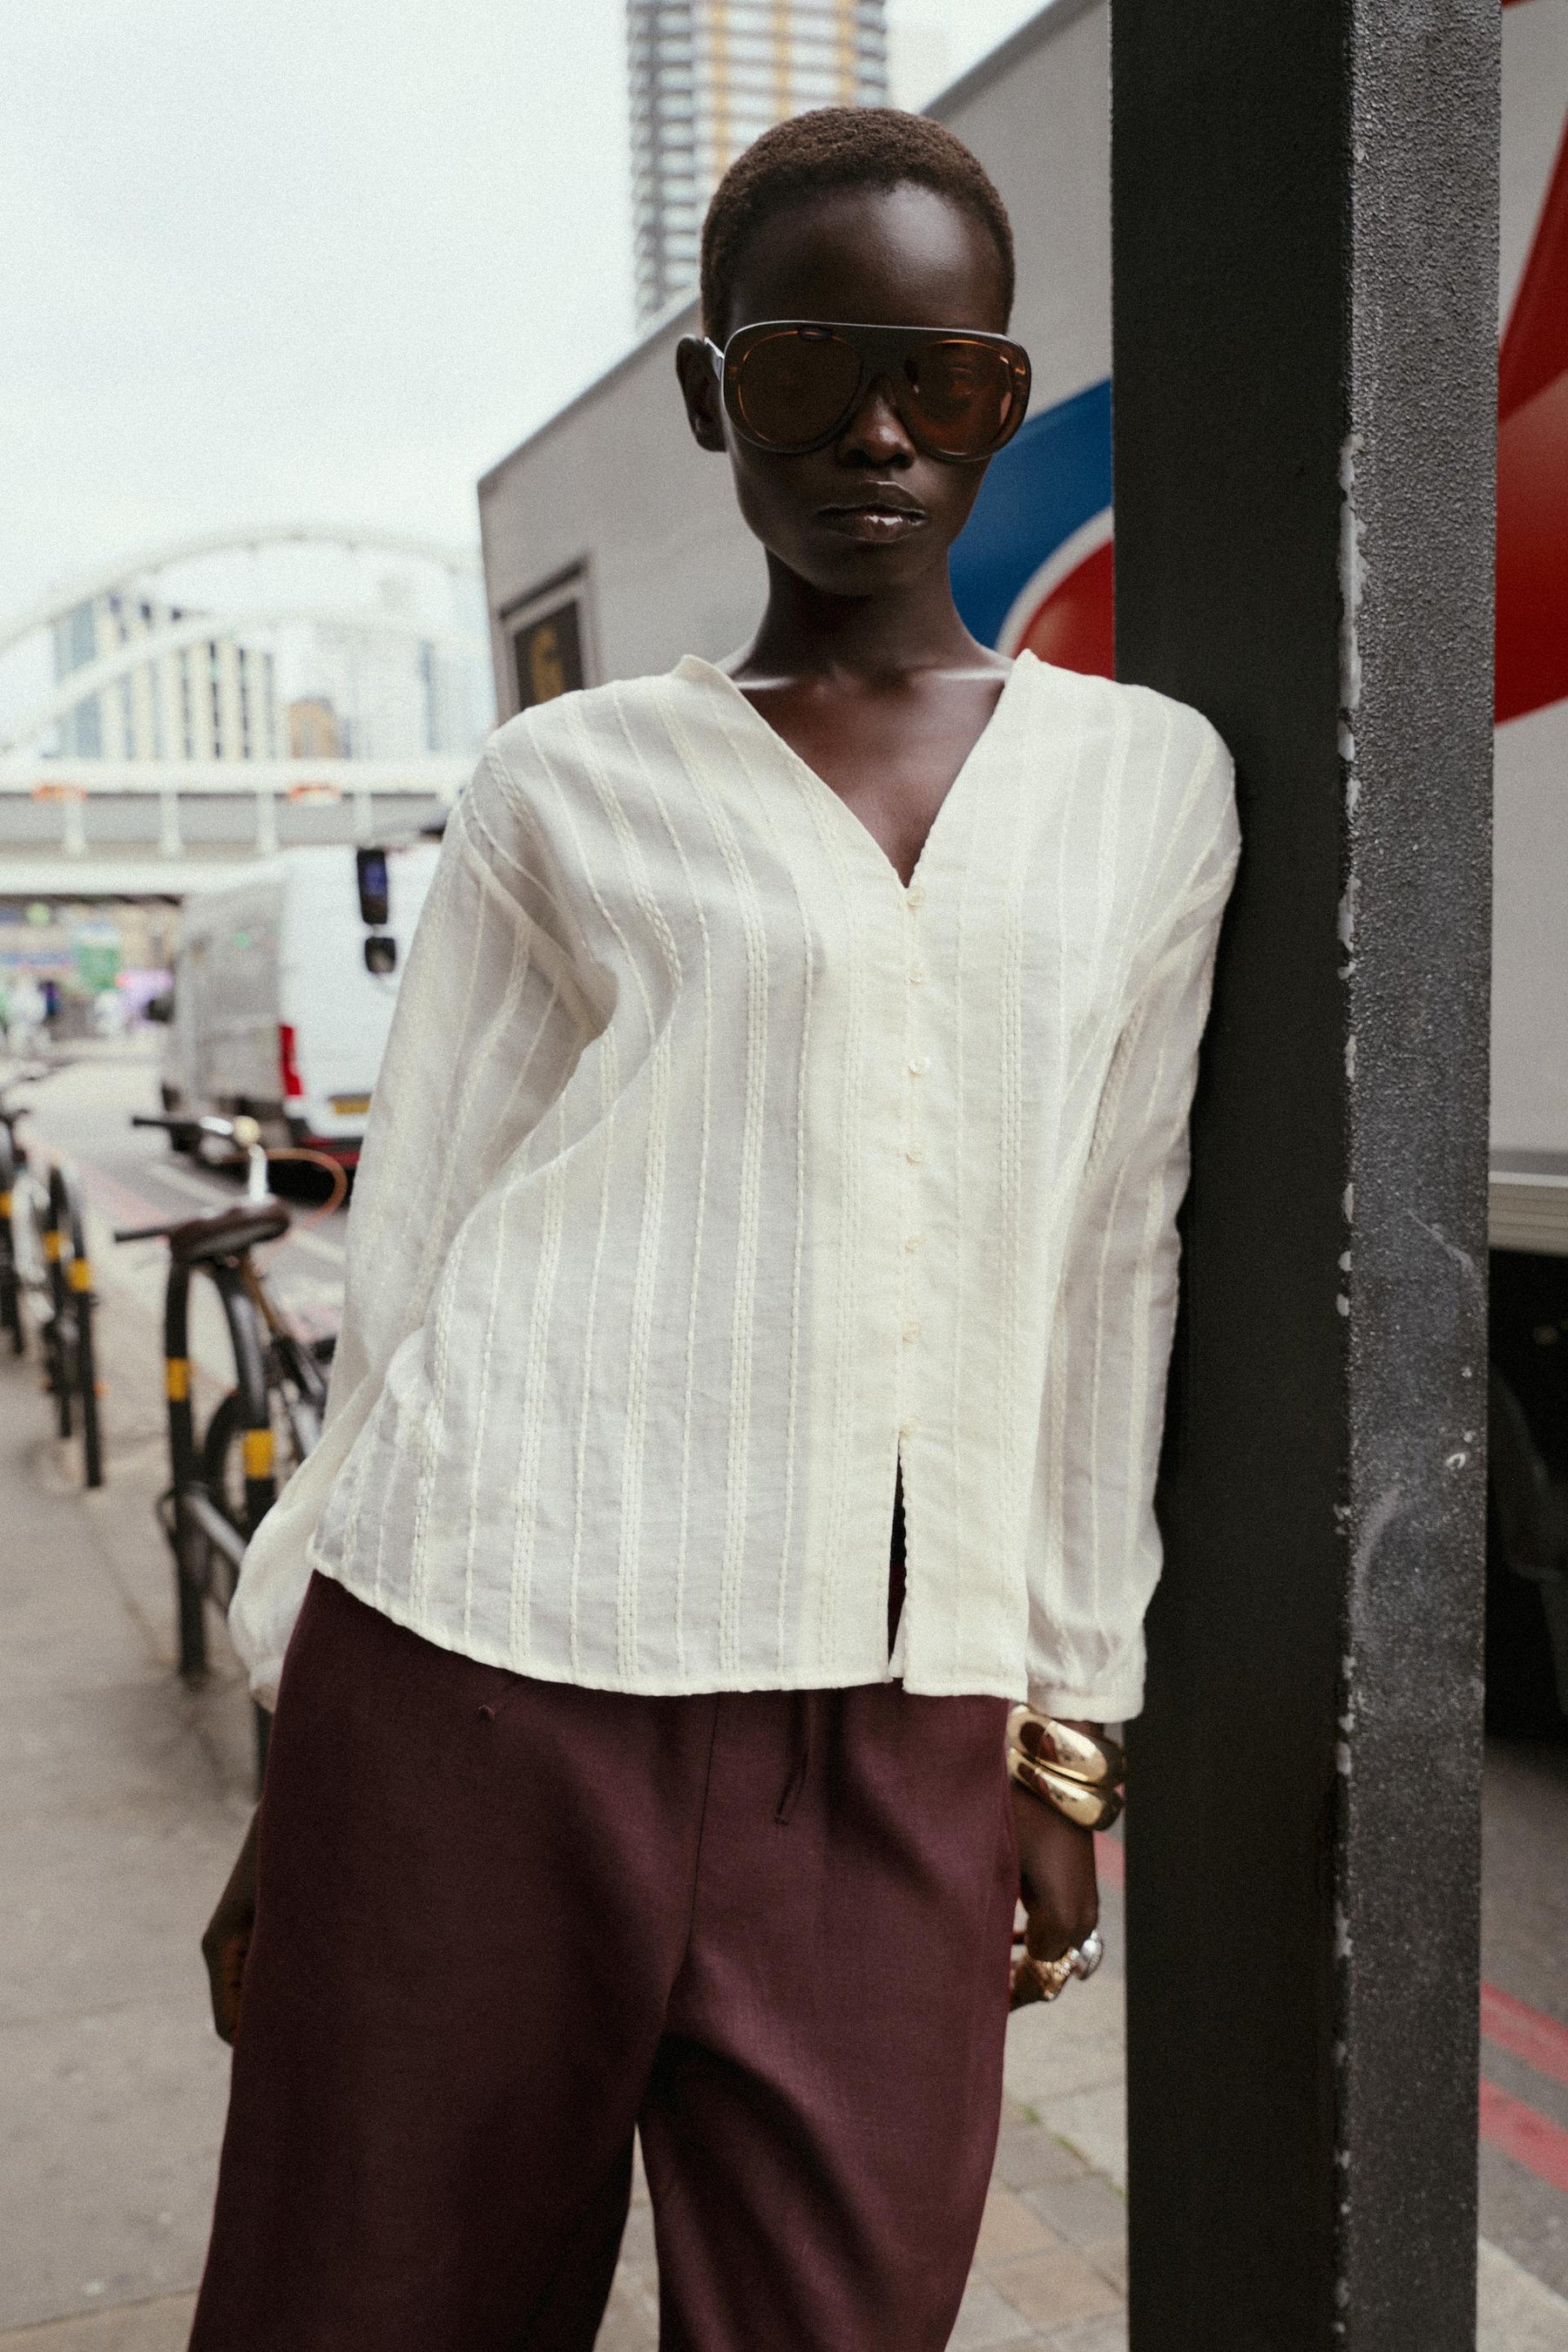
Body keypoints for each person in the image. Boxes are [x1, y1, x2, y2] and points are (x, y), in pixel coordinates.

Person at [189, 106, 1238, 2351]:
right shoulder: (561, 787)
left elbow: (1104, 1260)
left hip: (888, 1728)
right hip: (477, 1672)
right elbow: (420, 1268)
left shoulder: (1150, 785)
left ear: (1005, 400)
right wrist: (308, 1753)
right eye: (801, 374)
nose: (876, 431)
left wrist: (1067, 1729)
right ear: (707, 393)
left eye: (941, 384)